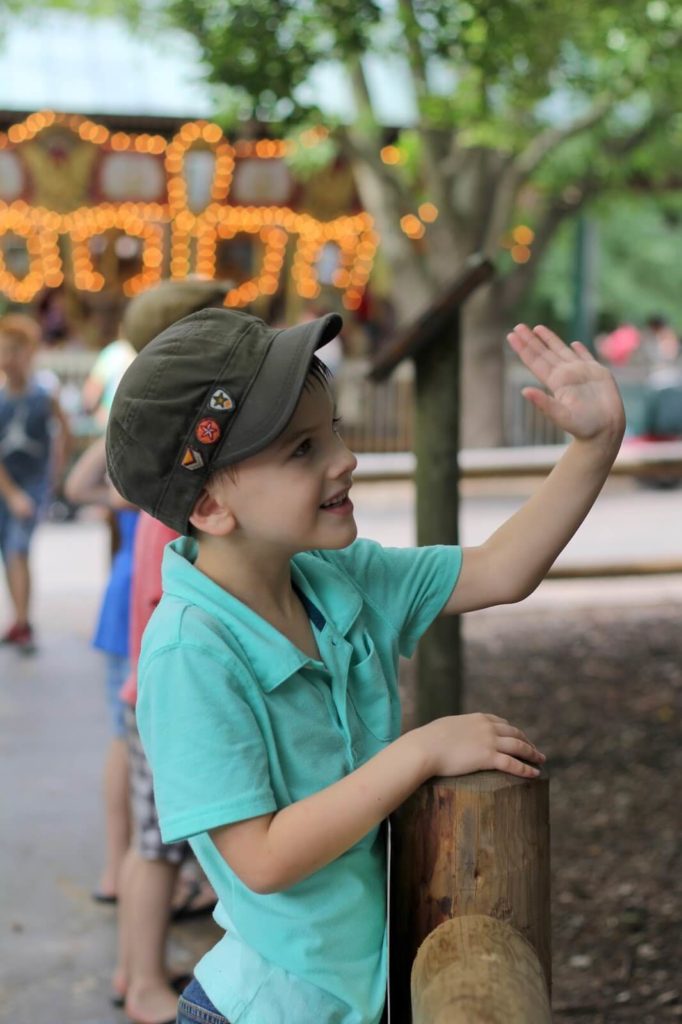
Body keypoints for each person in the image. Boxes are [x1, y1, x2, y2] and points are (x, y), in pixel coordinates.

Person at [105, 310, 625, 1024]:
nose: (343, 458)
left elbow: (501, 569)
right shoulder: (191, 652)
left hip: (356, 995)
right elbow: (261, 858)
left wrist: (595, 444)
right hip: (269, 1008)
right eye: (301, 450)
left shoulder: (335, 578)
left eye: (335, 431)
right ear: (210, 506)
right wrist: (418, 752)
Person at [108, 279, 227, 1024]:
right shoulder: (176, 503)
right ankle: (144, 982)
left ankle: (136, 968)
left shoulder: (171, 480)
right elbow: (166, 617)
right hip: (158, 699)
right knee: (156, 849)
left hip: (144, 696)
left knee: (158, 845)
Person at [64, 438, 138, 904]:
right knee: (126, 736)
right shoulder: (143, 443)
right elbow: (76, 488)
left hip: (128, 589)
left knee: (122, 735)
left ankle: (119, 868)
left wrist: (109, 495)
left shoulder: (124, 441)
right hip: (138, 598)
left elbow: (76, 486)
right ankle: (120, 867)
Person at [0, 313, 71, 652]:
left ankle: (24, 621)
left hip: (28, 488)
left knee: (17, 549)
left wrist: (55, 473)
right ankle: (18, 619)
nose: (7, 359)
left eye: (14, 350)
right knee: (9, 552)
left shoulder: (43, 395)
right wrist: (10, 492)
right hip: (7, 488)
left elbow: (63, 430)